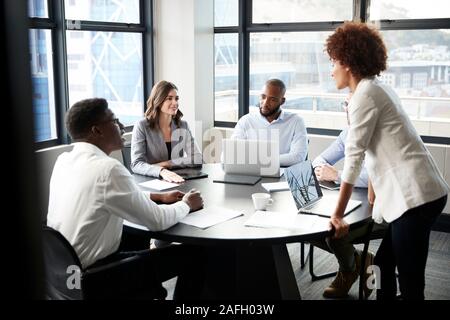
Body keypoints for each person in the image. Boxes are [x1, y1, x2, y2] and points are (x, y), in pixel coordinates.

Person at [325, 22, 449, 300]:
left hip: (416, 198)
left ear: (347, 61)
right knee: (381, 266)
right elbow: (378, 148)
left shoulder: (366, 94)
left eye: (333, 62)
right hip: (421, 193)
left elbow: (354, 157)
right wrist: (373, 192)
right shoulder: (372, 90)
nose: (330, 69)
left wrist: (338, 214)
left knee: (410, 280)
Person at [47, 98, 205, 299]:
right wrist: (186, 205)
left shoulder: (64, 160)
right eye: (114, 120)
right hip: (96, 277)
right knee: (194, 254)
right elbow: (157, 221)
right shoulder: (108, 169)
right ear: (97, 131)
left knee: (134, 236)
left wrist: (157, 196)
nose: (121, 126)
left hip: (64, 273)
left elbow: (100, 195)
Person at [131, 80, 202, 183]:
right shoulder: (142, 126)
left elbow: (197, 158)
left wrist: (168, 163)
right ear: (158, 101)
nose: (175, 103)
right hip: (151, 182)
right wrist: (161, 171)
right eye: (169, 99)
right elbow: (136, 164)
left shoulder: (183, 125)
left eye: (176, 99)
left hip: (177, 180)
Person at [231, 78, 308, 166]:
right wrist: (265, 160)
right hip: (251, 173)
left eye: (272, 99)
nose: (265, 103)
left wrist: (262, 160)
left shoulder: (296, 121)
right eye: (263, 97)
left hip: (282, 173)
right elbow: (231, 153)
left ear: (282, 101)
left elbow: (298, 157)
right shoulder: (246, 121)